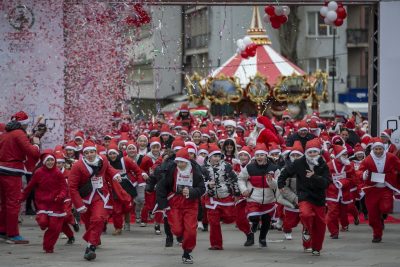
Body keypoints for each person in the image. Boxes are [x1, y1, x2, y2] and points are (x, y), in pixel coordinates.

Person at [68, 140, 122, 261]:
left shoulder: (103, 159)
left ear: (96, 152)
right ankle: (95, 239)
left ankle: (90, 247)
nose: (90, 154)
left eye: (92, 152)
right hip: (85, 197)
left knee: (97, 219)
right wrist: (79, 205)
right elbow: (72, 187)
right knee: (88, 223)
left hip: (101, 195)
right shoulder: (77, 166)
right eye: (87, 153)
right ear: (83, 154)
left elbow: (108, 168)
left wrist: (115, 174)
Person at [278, 138, 329, 256]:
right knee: (305, 214)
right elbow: (286, 172)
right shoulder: (299, 162)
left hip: (319, 198)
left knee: (320, 225)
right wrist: (280, 183)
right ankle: (307, 227)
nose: (312, 155)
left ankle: (316, 248)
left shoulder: (323, 165)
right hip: (304, 195)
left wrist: (314, 176)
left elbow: (326, 183)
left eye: (314, 152)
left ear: (318, 152)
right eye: (310, 152)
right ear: (306, 153)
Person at [156, 148, 206, 264]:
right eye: (178, 162)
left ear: (187, 161)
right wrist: (163, 205)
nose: (180, 164)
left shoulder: (195, 170)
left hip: (190, 203)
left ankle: (187, 253)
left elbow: (202, 188)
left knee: (191, 230)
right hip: (175, 202)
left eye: (182, 162)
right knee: (177, 229)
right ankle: (179, 236)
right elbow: (161, 187)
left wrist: (192, 192)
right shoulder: (171, 169)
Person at [0, 111, 40, 244]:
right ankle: (13, 234)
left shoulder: (6, 134)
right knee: (13, 203)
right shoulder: (19, 134)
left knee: (4, 203)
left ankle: (2, 231)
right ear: (23, 124)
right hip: (12, 172)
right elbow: (32, 152)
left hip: (1, 169)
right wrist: (36, 143)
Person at [22, 150, 67, 253]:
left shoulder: (58, 173)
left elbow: (64, 188)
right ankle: (42, 224)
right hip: (43, 203)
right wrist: (21, 197)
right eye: (48, 160)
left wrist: (61, 196)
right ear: (43, 161)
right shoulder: (38, 172)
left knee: (54, 227)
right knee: (43, 221)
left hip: (56, 204)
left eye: (52, 160)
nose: (50, 162)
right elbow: (30, 187)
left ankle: (48, 246)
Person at [238, 143, 280, 248]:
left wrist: (271, 181)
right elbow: (241, 179)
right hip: (253, 197)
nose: (259, 157)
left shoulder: (274, 168)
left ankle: (262, 238)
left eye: (262, 155)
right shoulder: (250, 167)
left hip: (269, 198)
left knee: (266, 220)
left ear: (266, 155)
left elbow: (278, 185)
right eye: (257, 155)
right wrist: (244, 190)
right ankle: (255, 224)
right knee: (253, 216)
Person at [358, 137, 400, 243]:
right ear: (373, 149)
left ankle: (382, 215)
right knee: (372, 217)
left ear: (383, 149)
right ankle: (377, 234)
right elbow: (359, 171)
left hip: (386, 188)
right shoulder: (367, 160)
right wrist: (364, 174)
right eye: (376, 149)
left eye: (380, 149)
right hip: (372, 190)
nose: (378, 151)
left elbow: (398, 166)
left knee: (385, 207)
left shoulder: (390, 157)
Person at [202, 144, 240, 250]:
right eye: (215, 156)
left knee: (230, 217)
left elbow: (234, 179)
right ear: (209, 157)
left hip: (226, 196)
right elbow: (200, 182)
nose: (217, 158)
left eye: (219, 156)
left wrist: (236, 193)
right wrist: (207, 184)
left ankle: (224, 217)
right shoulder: (203, 168)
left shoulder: (226, 166)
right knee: (213, 223)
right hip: (211, 198)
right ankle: (216, 244)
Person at [326, 145, 356, 239]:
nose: (346, 156)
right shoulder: (329, 165)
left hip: (344, 191)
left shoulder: (349, 165)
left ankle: (345, 224)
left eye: (346, 154)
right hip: (332, 192)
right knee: (332, 213)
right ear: (338, 155)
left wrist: (342, 182)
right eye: (343, 155)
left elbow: (352, 179)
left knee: (343, 212)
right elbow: (325, 178)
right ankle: (334, 232)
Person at [276, 141, 303, 240]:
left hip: (303, 198)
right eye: (293, 155)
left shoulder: (306, 168)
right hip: (290, 199)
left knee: (305, 218)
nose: (295, 157)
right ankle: (287, 230)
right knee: (290, 220)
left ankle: (307, 235)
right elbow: (283, 188)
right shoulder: (286, 170)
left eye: (298, 155)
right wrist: (294, 198)